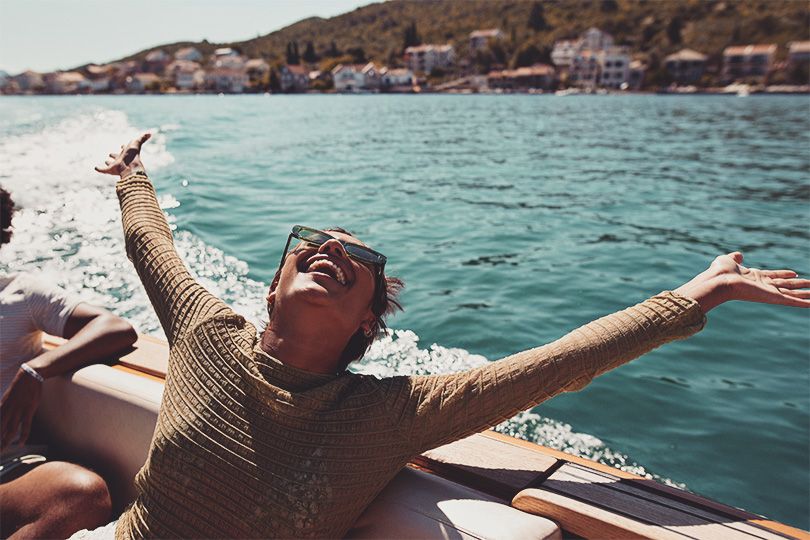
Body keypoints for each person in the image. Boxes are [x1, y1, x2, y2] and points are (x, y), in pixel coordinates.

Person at [87, 133, 809, 540]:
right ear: (272, 288)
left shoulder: (388, 415)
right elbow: (152, 244)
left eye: (359, 257)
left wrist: (700, 293)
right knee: (70, 488)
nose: (332, 249)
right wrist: (130, 174)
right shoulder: (206, 333)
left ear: (368, 321)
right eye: (311, 241)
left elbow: (557, 364)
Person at [0, 186, 138, 539]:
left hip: (7, 467)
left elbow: (114, 328)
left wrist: (35, 371)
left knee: (81, 494)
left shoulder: (21, 294)